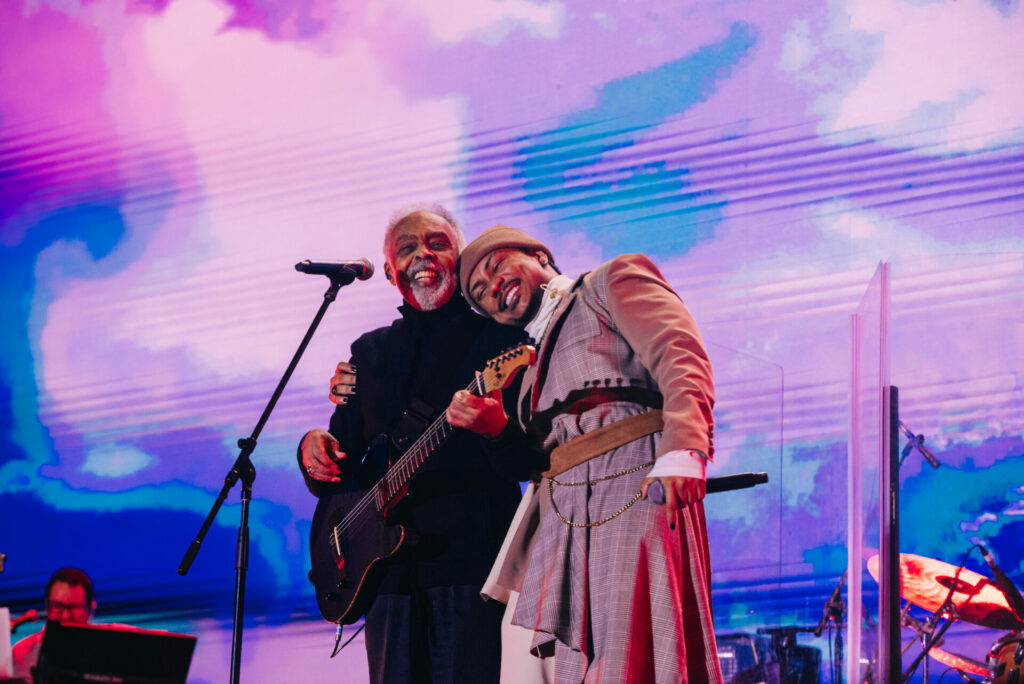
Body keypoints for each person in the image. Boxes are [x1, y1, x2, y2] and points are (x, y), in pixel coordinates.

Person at [446, 225, 723, 683]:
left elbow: (679, 354)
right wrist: (496, 430)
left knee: (630, 652)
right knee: (572, 666)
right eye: (480, 292)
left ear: (539, 255)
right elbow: (532, 461)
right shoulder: (529, 370)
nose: (492, 286)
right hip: (564, 518)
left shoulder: (607, 282)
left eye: (496, 266)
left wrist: (685, 448)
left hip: (631, 481)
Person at [298, 205, 526, 684]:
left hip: (472, 568)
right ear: (388, 271)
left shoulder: (500, 338)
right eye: (408, 247)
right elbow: (340, 467)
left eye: (437, 243)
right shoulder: (369, 351)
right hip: (385, 578)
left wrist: (497, 430)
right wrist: (313, 451)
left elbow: (525, 459)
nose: (423, 254)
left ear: (460, 260)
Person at [11, 567, 96, 679]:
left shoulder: (108, 650)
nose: (66, 616)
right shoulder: (23, 653)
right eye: (58, 606)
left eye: (74, 607)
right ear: (47, 607)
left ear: (90, 609)